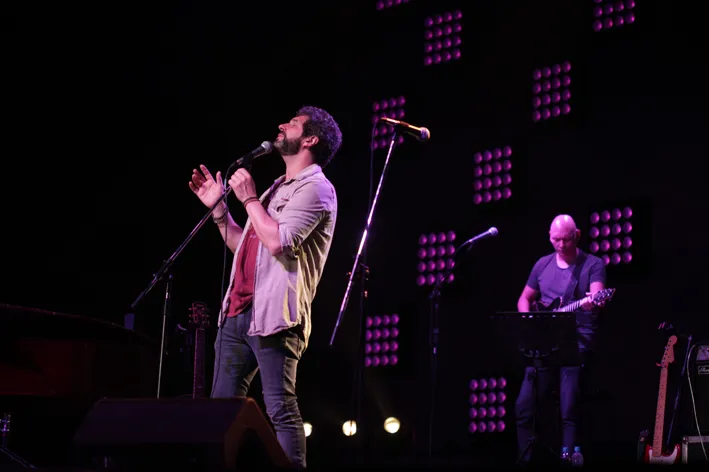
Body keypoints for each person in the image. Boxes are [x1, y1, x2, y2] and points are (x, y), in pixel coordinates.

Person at [188, 106, 342, 469]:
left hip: (275, 317)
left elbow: (278, 242)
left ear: (310, 139)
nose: (281, 125)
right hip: (237, 312)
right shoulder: (277, 187)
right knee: (220, 412)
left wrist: (248, 198)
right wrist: (219, 213)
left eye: (292, 123)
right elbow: (245, 246)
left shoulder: (317, 188)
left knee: (280, 409)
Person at [514, 214, 607, 464]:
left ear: (577, 236)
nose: (561, 245)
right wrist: (529, 321)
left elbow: (598, 297)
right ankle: (526, 458)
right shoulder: (542, 265)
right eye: (556, 240)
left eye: (566, 239)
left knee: (569, 407)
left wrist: (592, 302)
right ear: (549, 237)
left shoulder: (592, 264)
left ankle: (569, 456)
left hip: (576, 342)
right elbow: (524, 299)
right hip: (544, 344)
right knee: (524, 406)